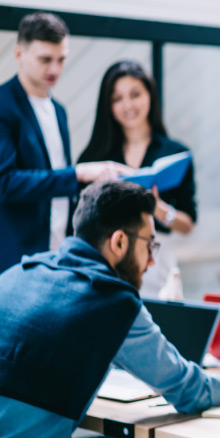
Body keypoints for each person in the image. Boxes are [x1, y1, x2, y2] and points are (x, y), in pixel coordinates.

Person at [0, 180, 220, 436]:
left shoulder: (18, 273)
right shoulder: (112, 303)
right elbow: (192, 393)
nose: (152, 260)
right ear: (119, 242)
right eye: (149, 244)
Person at [0, 11, 131, 273]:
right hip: (17, 256)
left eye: (61, 59)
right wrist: (79, 173)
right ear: (19, 54)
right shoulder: (3, 105)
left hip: (59, 251)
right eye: (45, 59)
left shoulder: (59, 111)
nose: (55, 69)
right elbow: (5, 183)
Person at [78, 60, 197, 297]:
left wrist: (158, 209)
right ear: (108, 105)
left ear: (149, 96)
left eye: (135, 94)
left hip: (157, 263)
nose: (128, 105)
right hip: (107, 262)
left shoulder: (174, 154)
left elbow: (188, 224)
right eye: (117, 98)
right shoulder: (97, 157)